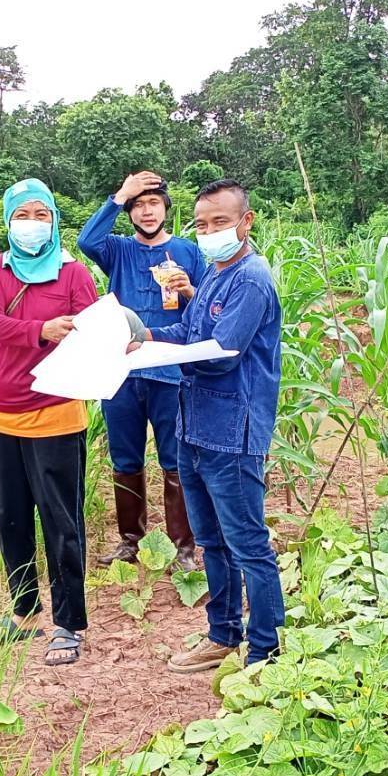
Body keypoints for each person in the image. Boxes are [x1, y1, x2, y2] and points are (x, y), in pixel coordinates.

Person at [129, 179, 284, 673]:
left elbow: (220, 355)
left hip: (232, 434)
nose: (210, 231)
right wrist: (144, 337)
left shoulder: (252, 279)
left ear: (246, 222)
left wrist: (165, 355)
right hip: (193, 428)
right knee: (211, 541)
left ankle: (264, 650)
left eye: (221, 222)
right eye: (201, 224)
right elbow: (191, 332)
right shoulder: (215, 274)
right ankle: (222, 634)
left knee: (248, 543)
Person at [0, 178, 99, 667]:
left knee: (62, 523)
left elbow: (93, 333)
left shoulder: (73, 274)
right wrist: (42, 330)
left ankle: (69, 623)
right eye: (21, 215)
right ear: (7, 221)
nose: (31, 225)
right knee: (10, 519)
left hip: (56, 414)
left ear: (54, 219)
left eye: (40, 214)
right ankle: (24, 613)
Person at [77, 171, 206, 571]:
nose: (146, 211)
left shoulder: (188, 252)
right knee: (125, 458)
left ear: (166, 208)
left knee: (175, 459)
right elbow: (86, 242)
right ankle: (130, 542)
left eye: (153, 203)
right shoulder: (118, 251)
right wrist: (120, 195)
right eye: (138, 205)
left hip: (171, 370)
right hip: (123, 371)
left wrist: (187, 290)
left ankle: (182, 547)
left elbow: (205, 308)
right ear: (130, 212)